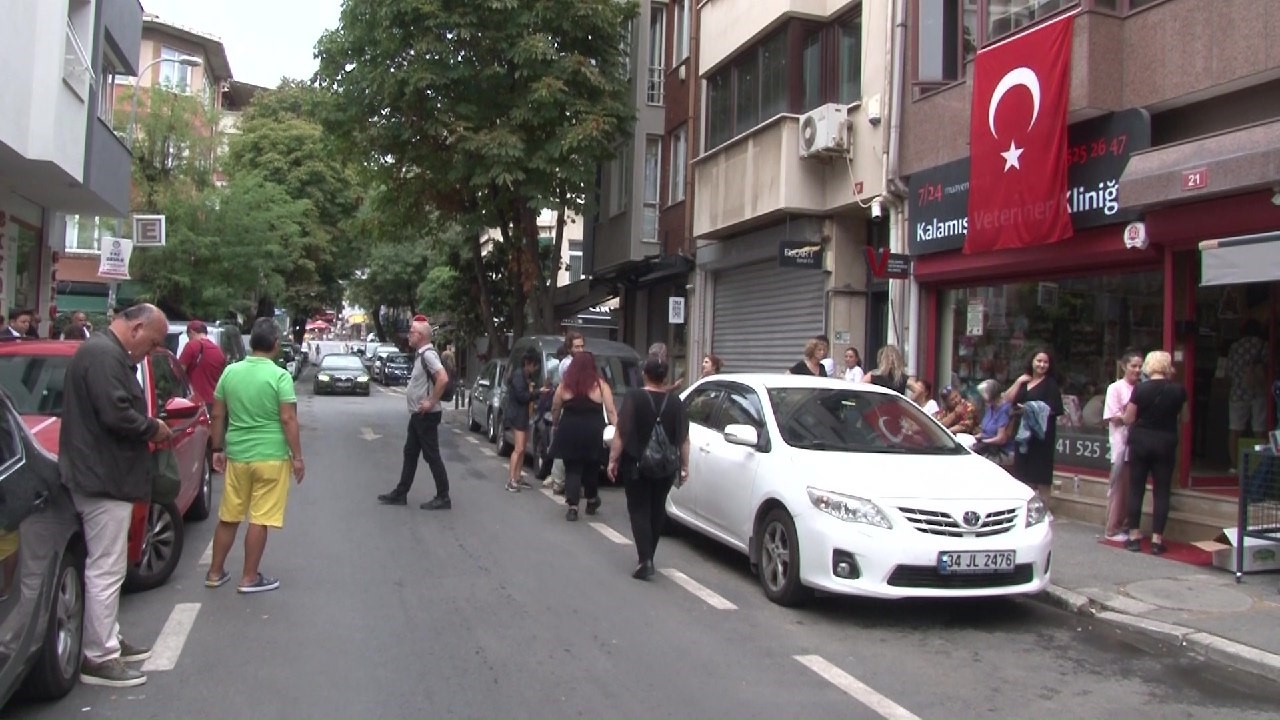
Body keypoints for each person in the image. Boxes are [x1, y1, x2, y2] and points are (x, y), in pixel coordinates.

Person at [59, 303, 171, 687]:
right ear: (137, 328)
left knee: (109, 565)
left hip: (102, 474)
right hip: (103, 477)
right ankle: (99, 655)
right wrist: (152, 427)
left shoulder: (102, 352)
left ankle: (106, 638)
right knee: (106, 568)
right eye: (153, 342)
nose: (151, 351)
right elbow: (117, 415)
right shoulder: (105, 356)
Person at [205, 319, 303, 593]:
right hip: (271, 456)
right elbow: (288, 418)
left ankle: (214, 572)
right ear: (275, 344)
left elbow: (217, 414)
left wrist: (217, 449)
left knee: (229, 515)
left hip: (237, 454)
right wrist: (297, 457)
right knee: (259, 518)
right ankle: (249, 577)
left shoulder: (230, 373)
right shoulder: (279, 376)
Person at [608, 356, 690, 580]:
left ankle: (645, 559)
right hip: (666, 466)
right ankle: (649, 556)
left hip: (636, 463)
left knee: (639, 509)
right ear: (665, 377)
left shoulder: (634, 397)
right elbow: (683, 439)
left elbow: (621, 431)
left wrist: (613, 460)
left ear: (645, 373)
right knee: (656, 510)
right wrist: (684, 466)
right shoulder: (676, 403)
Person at [377, 319, 452, 509]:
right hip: (418, 415)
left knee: (431, 455)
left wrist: (431, 402)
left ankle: (443, 496)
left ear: (421, 336)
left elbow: (442, 378)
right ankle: (401, 493)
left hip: (426, 415)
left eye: (411, 332)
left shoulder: (428, 355)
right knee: (410, 453)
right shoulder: (421, 355)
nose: (408, 335)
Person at [1123, 351, 1188, 555]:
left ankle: (1134, 535)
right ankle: (1157, 540)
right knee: (1162, 491)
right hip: (1165, 441)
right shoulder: (1179, 390)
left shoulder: (1140, 389)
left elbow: (1129, 418)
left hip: (1141, 441)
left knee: (1136, 488)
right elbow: (1185, 417)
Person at [552, 351, 617, 520]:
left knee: (572, 468)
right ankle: (591, 499)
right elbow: (610, 411)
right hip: (593, 431)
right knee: (592, 467)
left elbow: (555, 408)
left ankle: (573, 507)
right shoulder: (600, 385)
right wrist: (617, 430)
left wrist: (555, 423)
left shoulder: (565, 385)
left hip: (569, 429)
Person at [1004, 349, 1064, 496]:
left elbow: (1054, 408)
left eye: (1045, 362)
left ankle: (1043, 510)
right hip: (1022, 435)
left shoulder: (1050, 384)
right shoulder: (1024, 381)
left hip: (1041, 437)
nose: (1042, 365)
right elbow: (1008, 399)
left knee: (1040, 476)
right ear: (1031, 361)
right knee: (1021, 474)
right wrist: (1018, 381)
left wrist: (1031, 408)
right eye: (1039, 361)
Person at [1103, 350, 1144, 541]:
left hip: (1138, 445)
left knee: (1132, 489)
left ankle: (1127, 525)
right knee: (1119, 488)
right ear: (1124, 366)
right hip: (1121, 445)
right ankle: (1112, 528)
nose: (1137, 370)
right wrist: (1129, 417)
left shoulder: (1143, 388)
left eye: (1140, 366)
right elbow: (1113, 417)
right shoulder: (1115, 388)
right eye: (1133, 366)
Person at [1227, 320, 1268, 471]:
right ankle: (1260, 465)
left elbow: (1229, 371)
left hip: (1238, 392)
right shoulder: (1263, 345)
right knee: (1259, 430)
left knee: (1235, 430)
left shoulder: (1235, 347)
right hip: (1258, 392)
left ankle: (1234, 466)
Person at [504, 350, 539, 492]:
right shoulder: (519, 376)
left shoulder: (525, 375)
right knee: (518, 448)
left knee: (523, 448)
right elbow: (522, 396)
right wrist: (536, 393)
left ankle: (518, 477)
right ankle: (511, 479)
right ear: (528, 364)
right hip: (517, 414)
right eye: (534, 365)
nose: (535, 369)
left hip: (523, 414)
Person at [178, 320, 227, 410]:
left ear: (191, 332)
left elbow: (178, 373)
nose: (189, 339)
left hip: (196, 402)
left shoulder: (192, 345)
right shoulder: (219, 351)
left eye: (189, 336)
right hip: (214, 402)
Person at [973, 379, 1016, 465]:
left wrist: (984, 442)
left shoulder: (1004, 410)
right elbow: (986, 431)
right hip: (987, 447)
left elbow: (1001, 439)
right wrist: (977, 437)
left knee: (977, 462)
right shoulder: (990, 408)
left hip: (1002, 451)